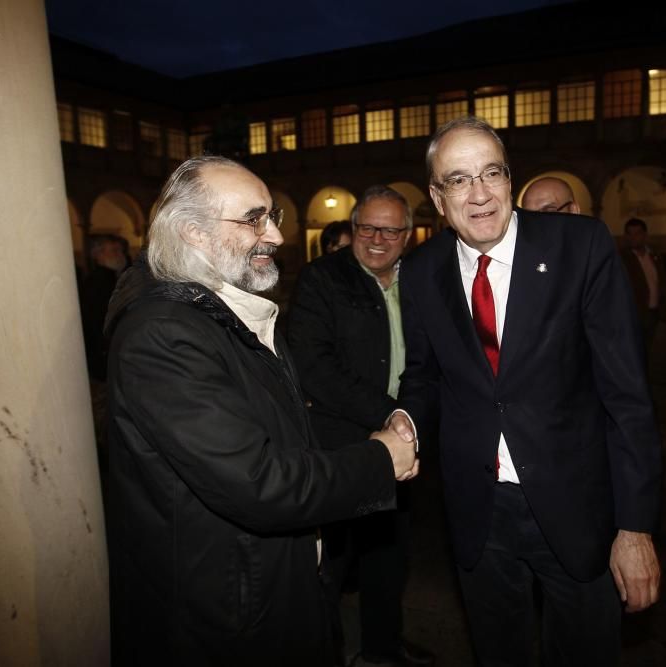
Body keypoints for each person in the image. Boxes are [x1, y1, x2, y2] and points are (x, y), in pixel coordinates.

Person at [102, 155, 419, 666]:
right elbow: (260, 483)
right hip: (225, 610)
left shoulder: (223, 312)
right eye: (253, 219)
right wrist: (382, 459)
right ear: (193, 234)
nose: (273, 234)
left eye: (273, 216)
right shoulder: (163, 335)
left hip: (264, 582)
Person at [389, 117, 662, 666]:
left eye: (492, 173)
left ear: (510, 179)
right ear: (438, 198)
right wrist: (405, 421)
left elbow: (626, 394)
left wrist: (635, 525)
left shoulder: (580, 246)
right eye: (460, 180)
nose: (481, 193)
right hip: (477, 509)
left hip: (577, 506)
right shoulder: (420, 271)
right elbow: (422, 374)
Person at [288, 186, 434, 667]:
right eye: (366, 227)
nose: (377, 239)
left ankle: (382, 651)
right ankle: (320, 654)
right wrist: (390, 415)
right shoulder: (322, 279)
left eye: (390, 230)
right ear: (352, 229)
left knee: (389, 559)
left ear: (407, 234)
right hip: (342, 448)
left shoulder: (419, 280)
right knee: (330, 564)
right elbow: (314, 366)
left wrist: (411, 421)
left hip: (405, 443)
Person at [79, 234, 128, 381]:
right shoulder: (97, 282)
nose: (120, 255)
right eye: (114, 251)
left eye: (120, 251)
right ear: (97, 255)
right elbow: (97, 319)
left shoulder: (114, 278)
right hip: (104, 350)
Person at [619, 217, 666, 357]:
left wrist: (664, 310)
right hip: (633, 314)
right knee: (633, 353)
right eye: (630, 233)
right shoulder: (622, 258)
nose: (634, 237)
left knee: (646, 351)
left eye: (637, 233)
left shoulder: (653, 256)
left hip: (652, 312)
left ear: (645, 235)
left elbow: (659, 283)